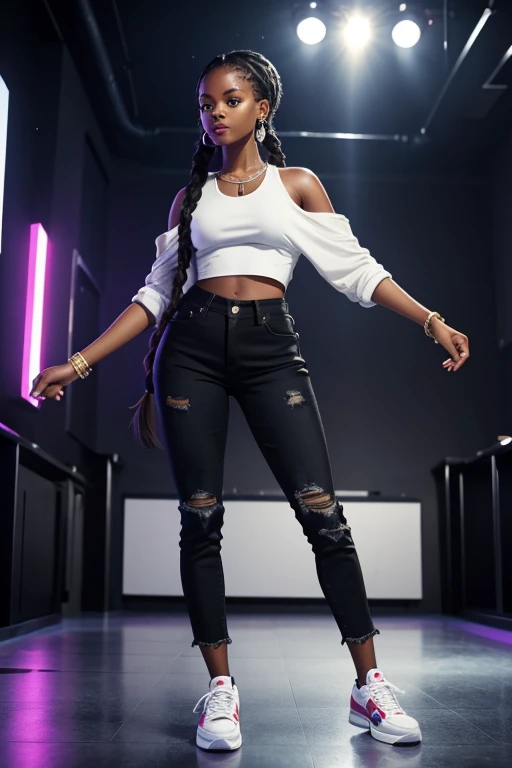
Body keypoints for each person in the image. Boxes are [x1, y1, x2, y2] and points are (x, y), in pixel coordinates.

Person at [31, 49, 469, 752]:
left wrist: (430, 320)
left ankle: (369, 688)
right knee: (200, 521)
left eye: (229, 100)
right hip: (192, 350)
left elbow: (357, 271)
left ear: (261, 107)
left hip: (272, 350)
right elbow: (153, 296)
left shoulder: (297, 185)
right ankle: (220, 692)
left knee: (323, 516)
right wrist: (77, 363)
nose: (214, 113)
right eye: (205, 103)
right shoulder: (190, 198)